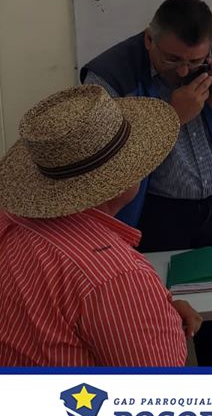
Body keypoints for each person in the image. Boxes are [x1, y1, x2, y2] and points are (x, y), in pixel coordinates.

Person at [80, 0, 212, 366]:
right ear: (148, 39)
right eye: (172, 60)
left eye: (195, 61)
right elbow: (102, 164)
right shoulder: (109, 75)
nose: (184, 72)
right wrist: (169, 117)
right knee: (152, 322)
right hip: (148, 214)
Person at [0, 85, 200, 366]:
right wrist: (140, 307)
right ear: (122, 178)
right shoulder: (117, 277)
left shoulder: (9, 220)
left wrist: (152, 310)